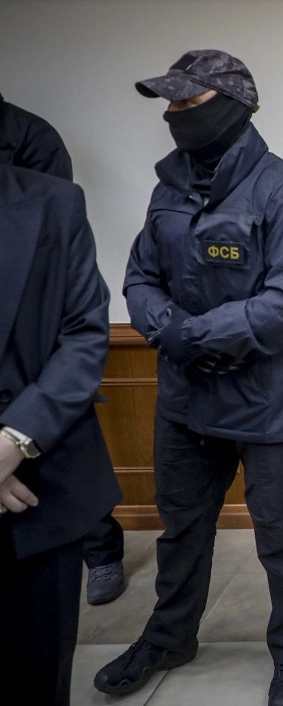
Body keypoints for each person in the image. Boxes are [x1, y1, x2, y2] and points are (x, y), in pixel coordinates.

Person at [93, 50, 283, 706]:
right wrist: (171, 329)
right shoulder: (168, 191)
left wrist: (196, 334)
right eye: (168, 103)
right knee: (181, 531)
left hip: (268, 403)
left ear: (231, 106)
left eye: (186, 101)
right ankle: (169, 638)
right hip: (186, 399)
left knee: (281, 539)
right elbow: (140, 277)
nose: (172, 114)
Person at [0, 160, 122, 705]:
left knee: (40, 674)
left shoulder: (56, 201)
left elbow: (84, 334)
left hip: (42, 485)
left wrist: (15, 440)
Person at [0, 90, 129, 605]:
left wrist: (12, 441)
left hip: (41, 453)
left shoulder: (36, 148)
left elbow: (79, 327)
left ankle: (103, 552)